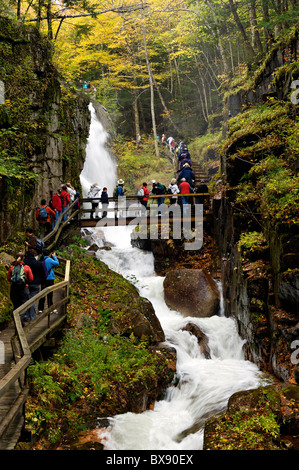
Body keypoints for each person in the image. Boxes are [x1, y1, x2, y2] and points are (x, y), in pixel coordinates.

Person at [7, 252, 33, 321]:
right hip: (24, 287)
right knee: (24, 303)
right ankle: (22, 318)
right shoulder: (26, 267)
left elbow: (8, 278)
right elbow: (31, 278)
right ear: (23, 258)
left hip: (14, 288)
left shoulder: (12, 267)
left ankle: (16, 319)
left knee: (16, 304)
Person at [23, 250, 45, 322]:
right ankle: (32, 317)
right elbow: (43, 274)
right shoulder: (39, 263)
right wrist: (43, 283)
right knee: (33, 300)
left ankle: (25, 316)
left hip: (26, 283)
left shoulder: (24, 263)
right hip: (36, 283)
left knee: (26, 300)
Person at [38, 250, 59, 314]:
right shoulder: (49, 260)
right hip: (49, 278)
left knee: (42, 293)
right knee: (50, 294)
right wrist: (54, 256)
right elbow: (57, 263)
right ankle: (50, 308)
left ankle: (40, 309)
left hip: (43, 279)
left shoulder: (41, 260)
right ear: (49, 254)